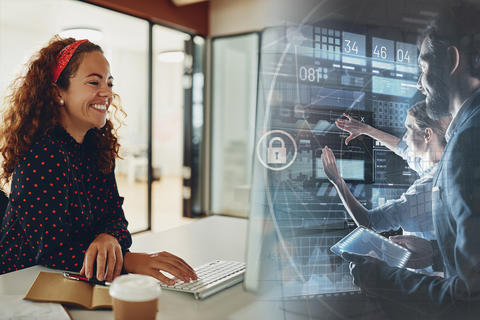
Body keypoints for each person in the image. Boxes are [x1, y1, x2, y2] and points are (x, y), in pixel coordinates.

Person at [0, 37, 197, 286]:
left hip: (72, 280)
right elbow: (51, 251)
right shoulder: (42, 154)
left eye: (109, 82)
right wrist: (128, 260)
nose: (106, 92)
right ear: (57, 92)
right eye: (94, 82)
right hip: (19, 284)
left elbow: (117, 219)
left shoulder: (97, 147)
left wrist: (109, 237)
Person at [342, 3, 480, 319]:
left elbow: (470, 300)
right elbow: (405, 149)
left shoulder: (468, 143)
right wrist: (436, 254)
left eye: (423, 66)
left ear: (451, 60)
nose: (420, 82)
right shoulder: (464, 136)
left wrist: (381, 278)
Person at [322, 101, 450, 268]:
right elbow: (403, 148)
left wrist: (337, 181)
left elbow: (369, 222)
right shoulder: (440, 162)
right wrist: (366, 130)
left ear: (427, 135)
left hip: (425, 278)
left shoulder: (426, 189)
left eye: (409, 129)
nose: (404, 136)